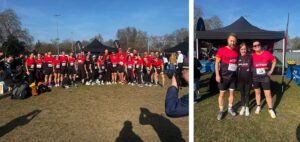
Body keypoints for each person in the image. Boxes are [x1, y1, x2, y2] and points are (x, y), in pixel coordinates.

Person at [215, 34, 238, 120]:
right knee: (222, 94)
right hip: (223, 77)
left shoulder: (236, 51)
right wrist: (217, 75)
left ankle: (230, 108)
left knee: (232, 94)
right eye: (231, 40)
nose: (232, 42)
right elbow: (217, 63)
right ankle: (221, 110)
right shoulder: (221, 50)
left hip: (233, 77)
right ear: (228, 41)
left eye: (234, 41)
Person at [252, 40, 277, 118]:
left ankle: (270, 109)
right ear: (253, 48)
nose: (257, 46)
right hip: (255, 77)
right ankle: (258, 106)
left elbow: (274, 61)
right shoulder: (252, 55)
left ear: (260, 45)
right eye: (255, 46)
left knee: (268, 94)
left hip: (265, 77)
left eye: (258, 45)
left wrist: (271, 70)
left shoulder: (267, 53)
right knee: (257, 93)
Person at [237, 43, 252, 116]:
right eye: (242, 49)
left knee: (247, 94)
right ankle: (243, 107)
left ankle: (247, 108)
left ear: (247, 49)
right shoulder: (238, 57)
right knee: (242, 94)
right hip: (240, 80)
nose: (243, 50)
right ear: (239, 50)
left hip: (248, 80)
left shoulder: (250, 57)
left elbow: (253, 68)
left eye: (244, 49)